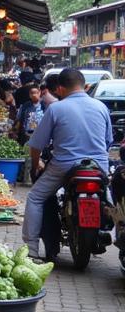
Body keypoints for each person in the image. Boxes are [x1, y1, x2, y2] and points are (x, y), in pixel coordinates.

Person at [22, 68, 114, 260]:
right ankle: (110, 223)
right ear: (85, 86)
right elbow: (107, 142)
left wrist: (34, 167)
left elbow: (37, 145)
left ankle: (31, 249)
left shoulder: (56, 108)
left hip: (64, 166)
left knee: (35, 198)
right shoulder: (101, 107)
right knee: (109, 197)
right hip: (98, 167)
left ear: (60, 89)